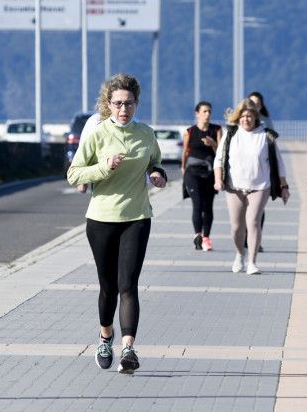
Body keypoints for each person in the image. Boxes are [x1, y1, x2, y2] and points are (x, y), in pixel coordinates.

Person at [66, 74, 167, 374]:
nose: (124, 109)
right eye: (118, 103)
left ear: (137, 103)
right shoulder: (97, 134)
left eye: (129, 103)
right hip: (101, 219)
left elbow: (155, 162)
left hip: (136, 217)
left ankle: (129, 349)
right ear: (108, 104)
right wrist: (103, 167)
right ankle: (105, 336)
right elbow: (74, 175)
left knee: (128, 285)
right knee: (108, 286)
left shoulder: (146, 134)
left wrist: (158, 175)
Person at [214, 99, 290, 275]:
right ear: (238, 117)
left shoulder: (266, 135)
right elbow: (218, 160)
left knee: (254, 221)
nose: (246, 119)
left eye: (250, 116)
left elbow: (279, 163)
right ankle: (240, 254)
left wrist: (284, 187)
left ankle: (252, 262)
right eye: (243, 116)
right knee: (236, 226)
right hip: (234, 186)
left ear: (256, 117)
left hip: (260, 185)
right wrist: (218, 180)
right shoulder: (231, 134)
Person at [182, 100, 222, 251]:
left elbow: (221, 154)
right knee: (197, 203)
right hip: (192, 172)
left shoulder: (217, 130)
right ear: (197, 114)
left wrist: (213, 144)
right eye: (204, 111)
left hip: (210, 172)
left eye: (209, 111)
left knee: (208, 206)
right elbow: (185, 152)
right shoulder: (190, 131)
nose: (207, 114)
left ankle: (206, 238)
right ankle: (197, 235)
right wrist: (183, 169)